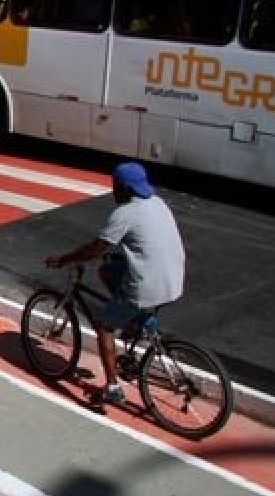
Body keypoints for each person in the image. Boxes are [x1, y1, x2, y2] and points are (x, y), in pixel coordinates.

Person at [45, 162, 185, 407]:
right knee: (108, 269)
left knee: (104, 328)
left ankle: (112, 389)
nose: (113, 192)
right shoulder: (158, 203)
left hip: (147, 286)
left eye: (115, 186)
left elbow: (96, 248)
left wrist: (64, 259)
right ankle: (137, 321)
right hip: (173, 279)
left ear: (124, 188)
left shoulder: (125, 214)